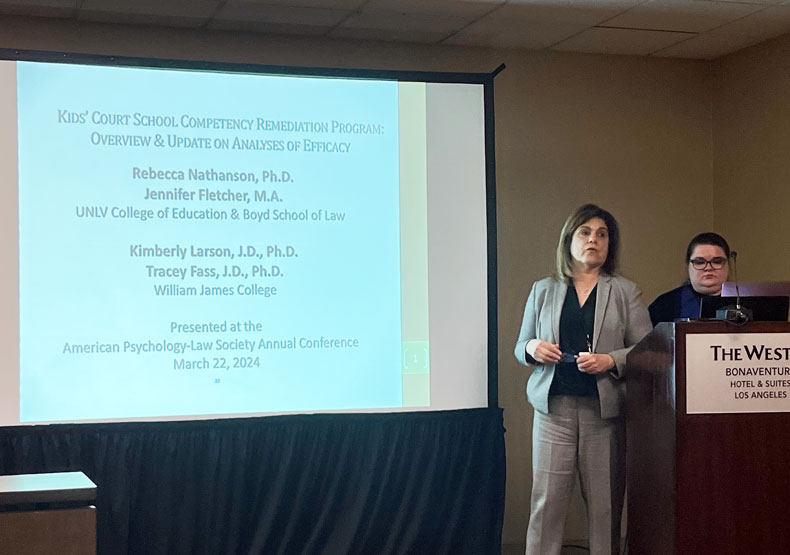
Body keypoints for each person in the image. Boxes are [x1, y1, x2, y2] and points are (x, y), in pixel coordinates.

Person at [514, 203, 652, 555]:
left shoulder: (625, 291)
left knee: (605, 508)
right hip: (552, 413)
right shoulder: (543, 289)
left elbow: (647, 350)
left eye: (602, 234)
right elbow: (520, 346)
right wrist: (532, 347)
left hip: (602, 415)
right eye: (585, 233)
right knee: (546, 505)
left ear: (610, 244)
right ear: (569, 240)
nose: (593, 240)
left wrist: (610, 359)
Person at [648, 232, 730, 325]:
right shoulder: (664, 305)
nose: (708, 267)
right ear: (688, 266)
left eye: (717, 261)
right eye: (699, 262)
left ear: (728, 265)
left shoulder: (746, 303)